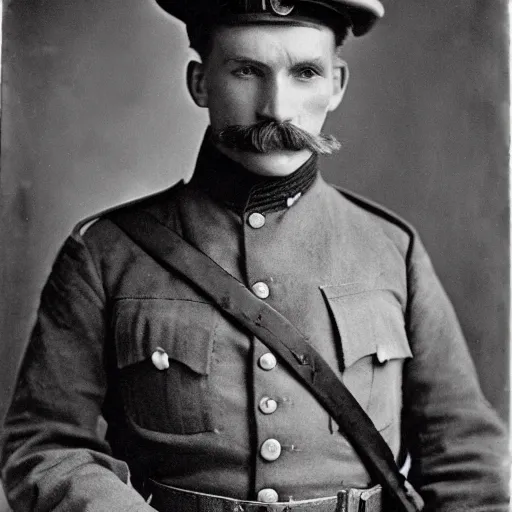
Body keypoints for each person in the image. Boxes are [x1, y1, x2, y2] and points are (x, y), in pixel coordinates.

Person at [1, 0, 509, 511]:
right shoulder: (107, 254)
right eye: (246, 70)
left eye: (305, 73)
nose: (277, 109)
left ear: (337, 84)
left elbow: (465, 461)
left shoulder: (391, 250)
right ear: (200, 82)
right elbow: (45, 447)